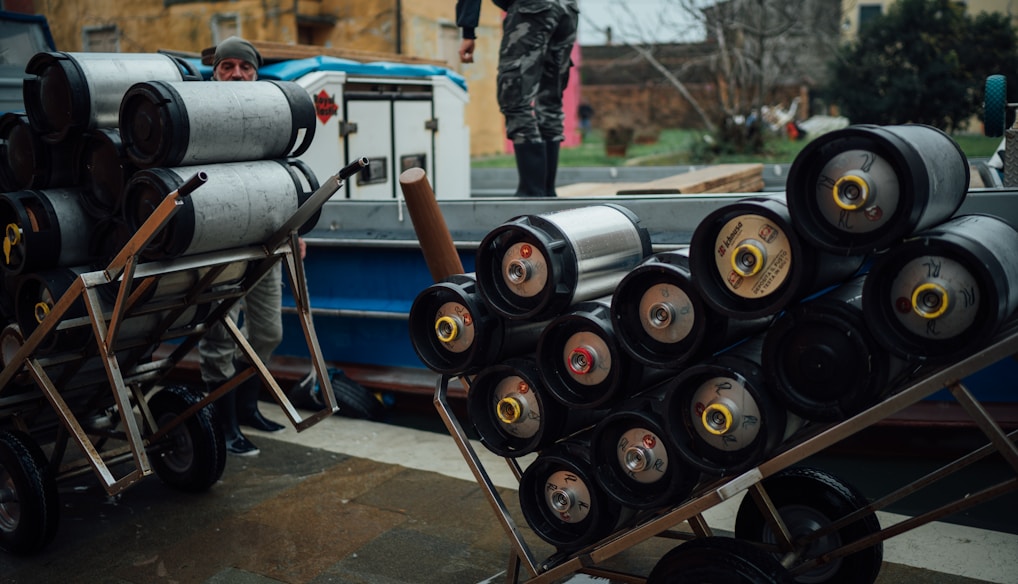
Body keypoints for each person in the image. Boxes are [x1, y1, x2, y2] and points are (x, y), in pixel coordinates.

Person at [199, 36, 295, 456]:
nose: (237, 75)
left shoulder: (271, 121)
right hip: (218, 249)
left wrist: (294, 232)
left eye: (246, 68)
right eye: (228, 67)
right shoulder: (201, 119)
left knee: (269, 332)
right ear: (215, 73)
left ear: (257, 74)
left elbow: (283, 177)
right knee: (220, 338)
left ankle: (248, 406)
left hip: (264, 246)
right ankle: (225, 425)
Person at [456, 0, 579, 197]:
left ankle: (531, 192)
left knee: (515, 97)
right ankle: (546, 192)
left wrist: (468, 32)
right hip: (568, 9)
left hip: (532, 8)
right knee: (550, 101)